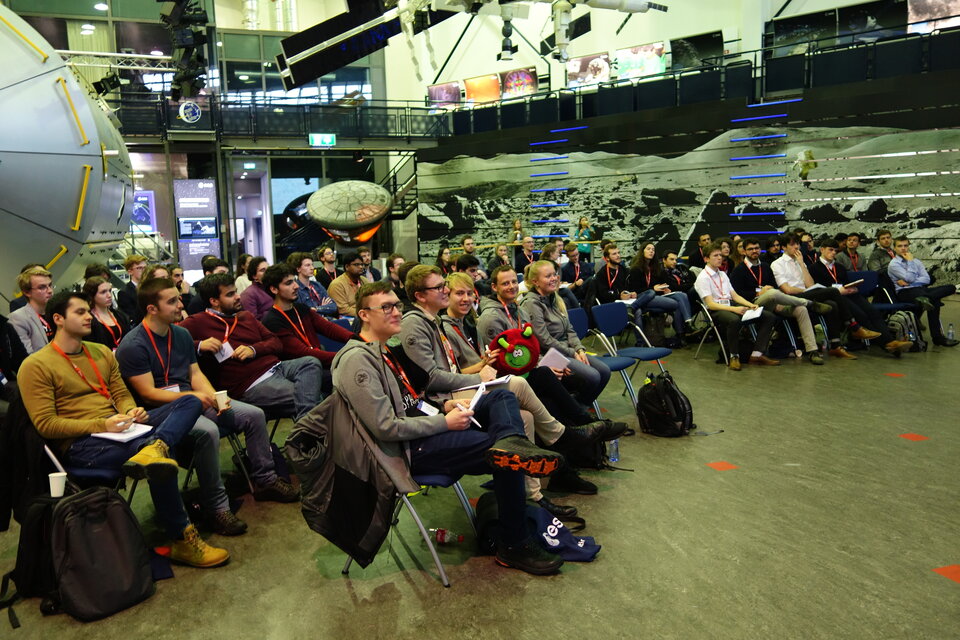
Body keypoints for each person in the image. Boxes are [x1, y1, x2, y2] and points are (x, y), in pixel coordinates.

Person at [333, 280, 564, 574]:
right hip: (403, 452)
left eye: (397, 306)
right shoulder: (358, 361)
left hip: (422, 429)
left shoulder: (383, 350)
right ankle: (514, 544)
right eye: (386, 307)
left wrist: (443, 407)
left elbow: (410, 401)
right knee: (505, 457)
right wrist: (444, 421)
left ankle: (512, 443)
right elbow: (385, 428)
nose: (396, 313)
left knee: (503, 397)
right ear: (364, 315)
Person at [19, 290, 228, 567]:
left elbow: (120, 393)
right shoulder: (36, 365)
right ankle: (181, 537)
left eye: (88, 311)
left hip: (122, 428)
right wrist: (102, 424)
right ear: (58, 319)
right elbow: (46, 424)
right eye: (80, 312)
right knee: (160, 460)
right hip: (83, 443)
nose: (88, 317)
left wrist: (130, 409)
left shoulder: (101, 352)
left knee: (190, 400)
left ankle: (156, 446)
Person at [117, 278, 297, 536]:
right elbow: (149, 394)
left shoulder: (179, 334)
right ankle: (217, 508)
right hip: (163, 414)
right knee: (208, 432)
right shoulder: (133, 345)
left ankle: (266, 480)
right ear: (151, 309)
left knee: (253, 415)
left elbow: (195, 373)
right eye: (172, 301)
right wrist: (194, 398)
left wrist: (215, 398)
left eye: (178, 298)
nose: (181, 304)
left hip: (192, 399)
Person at [441, 272, 616, 515]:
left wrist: (574, 349)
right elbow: (453, 372)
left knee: (539, 407)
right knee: (554, 386)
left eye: (469, 293)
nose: (466, 298)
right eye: (459, 293)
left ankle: (542, 486)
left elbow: (538, 342)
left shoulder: (474, 321)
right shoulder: (467, 324)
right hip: (478, 387)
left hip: (499, 378)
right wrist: (484, 366)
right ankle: (576, 430)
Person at [180, 273, 326, 419]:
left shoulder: (246, 316)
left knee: (310, 363)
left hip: (277, 367)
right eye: (230, 294)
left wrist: (253, 350)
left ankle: (304, 431)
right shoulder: (197, 322)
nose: (238, 296)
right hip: (250, 384)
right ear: (214, 301)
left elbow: (275, 343)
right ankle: (306, 432)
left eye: (236, 291)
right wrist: (199, 345)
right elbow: (171, 341)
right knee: (314, 398)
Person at [772, 234, 879, 358]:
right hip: (792, 298)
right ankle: (854, 326)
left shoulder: (800, 261)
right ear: (784, 247)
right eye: (792, 244)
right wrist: (804, 290)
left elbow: (810, 284)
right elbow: (787, 289)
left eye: (798, 244)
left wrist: (801, 264)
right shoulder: (777, 264)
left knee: (832, 304)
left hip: (807, 294)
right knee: (833, 291)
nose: (796, 247)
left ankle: (835, 345)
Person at [520, 261, 611, 407]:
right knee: (593, 376)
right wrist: (572, 352)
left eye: (555, 274)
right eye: (548, 276)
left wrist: (579, 348)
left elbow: (569, 329)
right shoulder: (531, 303)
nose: (554, 278)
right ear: (535, 282)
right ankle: (576, 413)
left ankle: (580, 407)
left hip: (567, 350)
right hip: (550, 354)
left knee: (604, 371)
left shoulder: (553, 298)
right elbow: (544, 340)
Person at [729, 239, 833, 365]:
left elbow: (775, 287)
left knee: (800, 309)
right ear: (744, 251)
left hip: (774, 302)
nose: (754, 251)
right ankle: (809, 302)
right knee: (773, 294)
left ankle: (812, 350)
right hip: (753, 304)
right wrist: (758, 293)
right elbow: (736, 294)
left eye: (756, 248)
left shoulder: (765, 267)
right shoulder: (739, 270)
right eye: (750, 249)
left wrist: (770, 289)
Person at [809, 239, 913, 356]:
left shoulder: (839, 267)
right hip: (833, 298)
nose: (833, 253)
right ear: (822, 250)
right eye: (830, 250)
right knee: (861, 314)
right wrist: (839, 290)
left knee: (872, 311)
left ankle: (890, 341)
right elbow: (818, 289)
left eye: (835, 251)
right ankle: (887, 343)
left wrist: (852, 288)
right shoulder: (814, 268)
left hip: (847, 294)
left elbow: (845, 282)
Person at [261, 264, 356, 386]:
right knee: (353, 375)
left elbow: (328, 328)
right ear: (274, 289)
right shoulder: (272, 321)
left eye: (294, 281)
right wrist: (345, 357)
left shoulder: (301, 309)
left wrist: (356, 339)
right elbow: (303, 353)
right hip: (303, 372)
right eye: (289, 283)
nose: (296, 286)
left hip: (318, 363)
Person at [694, 243, 780, 371]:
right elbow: (711, 304)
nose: (720, 258)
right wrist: (735, 309)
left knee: (768, 316)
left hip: (730, 306)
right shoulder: (703, 278)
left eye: (720, 255)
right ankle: (734, 356)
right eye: (715, 255)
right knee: (734, 320)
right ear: (706, 259)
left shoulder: (722, 274)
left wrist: (751, 305)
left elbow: (734, 296)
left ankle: (756, 354)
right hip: (716, 311)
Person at [888, 236, 958, 347]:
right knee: (934, 301)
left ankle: (925, 300)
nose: (903, 248)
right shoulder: (894, 264)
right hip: (905, 292)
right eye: (900, 246)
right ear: (894, 248)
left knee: (951, 287)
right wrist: (910, 264)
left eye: (906, 245)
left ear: (909, 246)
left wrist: (911, 281)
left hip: (920, 290)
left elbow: (926, 279)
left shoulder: (917, 261)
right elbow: (911, 278)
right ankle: (937, 338)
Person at [628, 242, 695, 339]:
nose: (651, 251)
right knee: (676, 304)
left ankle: (687, 324)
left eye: (653, 250)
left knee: (682, 296)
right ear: (642, 251)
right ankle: (681, 333)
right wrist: (653, 289)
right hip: (643, 297)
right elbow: (635, 290)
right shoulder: (636, 269)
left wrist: (665, 289)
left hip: (657, 295)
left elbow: (662, 284)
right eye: (648, 249)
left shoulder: (656, 268)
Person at [9, 266, 54, 354]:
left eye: (50, 285)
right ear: (27, 292)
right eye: (42, 287)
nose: (50, 291)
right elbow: (28, 358)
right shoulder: (17, 318)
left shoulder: (57, 312)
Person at [82, 276, 131, 351]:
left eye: (110, 291)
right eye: (103, 292)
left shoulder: (120, 315)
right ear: (92, 296)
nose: (109, 295)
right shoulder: (88, 321)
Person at [287, 251, 337, 316]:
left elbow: (333, 306)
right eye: (307, 265)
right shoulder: (296, 289)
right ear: (298, 269)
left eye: (312, 265)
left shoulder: (317, 285)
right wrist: (323, 308)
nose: (312, 268)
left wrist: (317, 309)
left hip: (325, 320)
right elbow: (304, 312)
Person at [327, 251, 366, 317]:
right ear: (347, 267)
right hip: (348, 319)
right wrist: (366, 313)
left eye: (362, 264)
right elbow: (343, 309)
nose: (361, 267)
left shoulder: (364, 280)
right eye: (356, 265)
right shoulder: (337, 284)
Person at [238, 256, 273, 321]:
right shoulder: (248, 294)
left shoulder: (273, 288)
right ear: (254, 276)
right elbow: (253, 321)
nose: (268, 272)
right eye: (263, 270)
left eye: (268, 269)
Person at [116, 254, 147, 320]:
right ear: (130, 272)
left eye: (145, 268)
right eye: (139, 268)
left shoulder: (151, 287)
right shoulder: (124, 293)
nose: (144, 271)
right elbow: (132, 318)